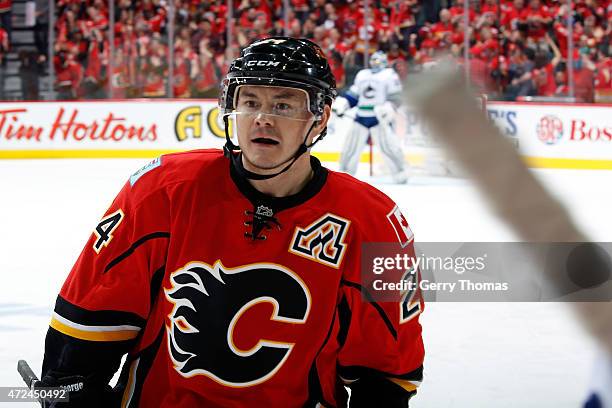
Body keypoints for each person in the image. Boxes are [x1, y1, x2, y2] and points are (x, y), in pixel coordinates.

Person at [38, 37, 424, 407]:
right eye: (249, 101)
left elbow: (386, 374)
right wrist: (69, 395)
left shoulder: (374, 222)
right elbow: (87, 324)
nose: (261, 119)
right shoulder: (164, 190)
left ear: (320, 117)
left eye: (284, 105)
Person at [337, 51, 409, 183]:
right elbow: (354, 94)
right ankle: (345, 173)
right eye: (373, 61)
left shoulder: (389, 75)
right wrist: (344, 104)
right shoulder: (362, 74)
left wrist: (388, 107)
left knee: (389, 147)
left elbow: (396, 97)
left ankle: (400, 172)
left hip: (379, 117)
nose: (375, 64)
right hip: (361, 116)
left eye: (378, 61)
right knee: (351, 147)